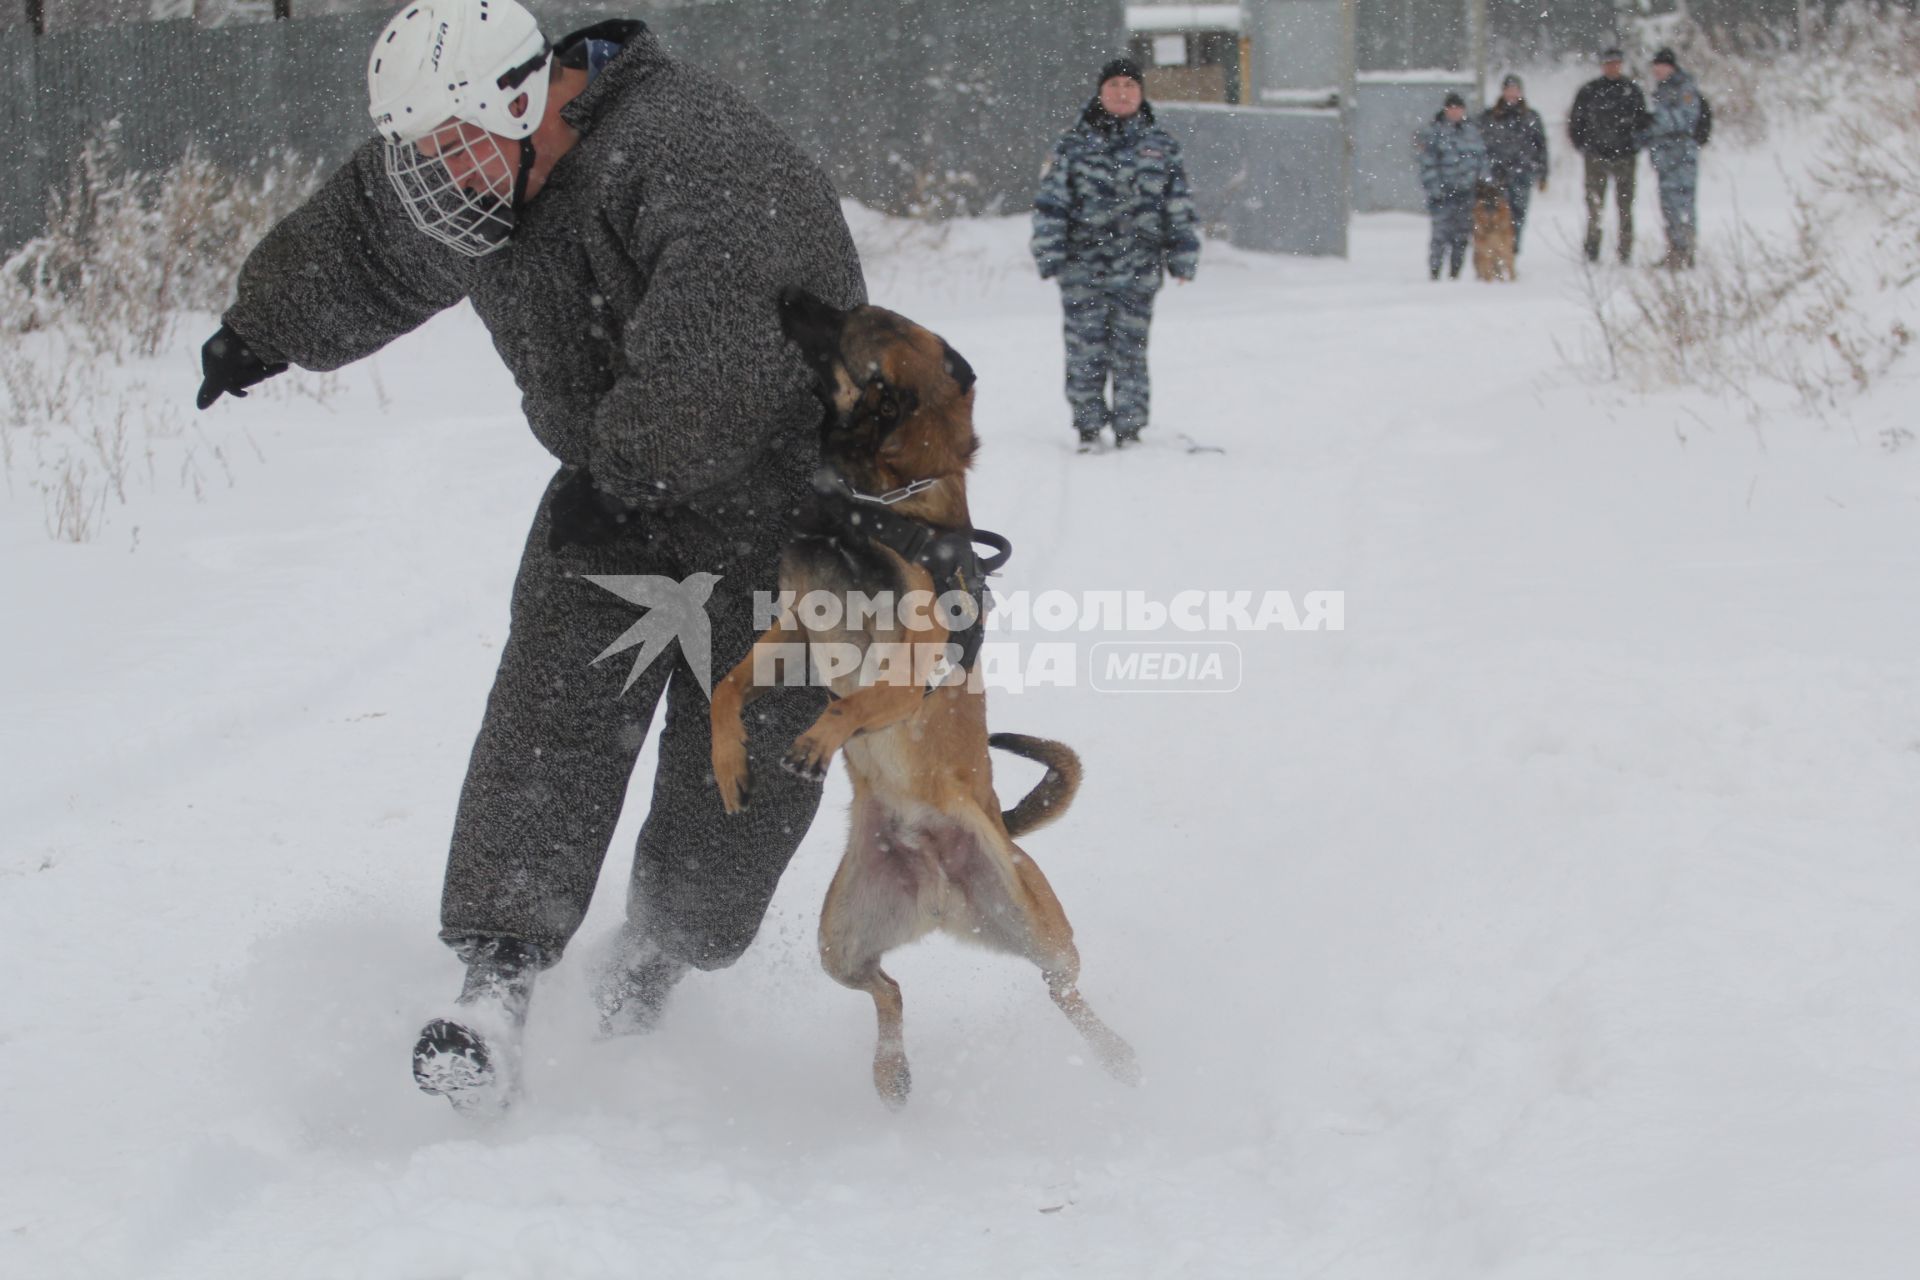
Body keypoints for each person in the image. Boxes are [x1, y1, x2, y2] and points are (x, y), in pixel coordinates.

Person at [192, 0, 865, 1113]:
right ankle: (493, 991)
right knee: (548, 718)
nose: (437, 179)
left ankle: (651, 973)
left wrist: (633, 469)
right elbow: (372, 237)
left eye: (451, 149)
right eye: (424, 158)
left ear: (531, 94)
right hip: (620, 498)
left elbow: (734, 342)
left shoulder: (696, 150)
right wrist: (267, 323)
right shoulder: (476, 174)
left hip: (789, 515)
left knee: (736, 799)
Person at [1031, 58, 1200, 454]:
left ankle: (1130, 429)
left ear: (1140, 93)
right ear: (1100, 92)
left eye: (1130, 85)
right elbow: (1050, 204)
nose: (1122, 92)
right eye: (1114, 85)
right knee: (1085, 350)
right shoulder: (1072, 145)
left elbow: (1178, 206)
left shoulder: (1161, 146)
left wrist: (1183, 255)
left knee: (1130, 350)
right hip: (1082, 268)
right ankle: (1088, 428)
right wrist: (1049, 252)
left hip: (1138, 268)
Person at [1569, 48, 1650, 264]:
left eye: (1616, 63)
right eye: (1608, 63)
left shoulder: (1631, 90)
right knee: (1595, 207)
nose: (1612, 67)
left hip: (1625, 156)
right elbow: (1576, 122)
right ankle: (1592, 250)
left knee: (1625, 206)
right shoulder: (1589, 91)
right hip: (1596, 155)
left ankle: (1625, 251)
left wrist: (1634, 146)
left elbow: (1643, 123)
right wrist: (1585, 146)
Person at [1641, 48, 1703, 269]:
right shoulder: (1660, 91)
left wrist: (1656, 120)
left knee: (1683, 203)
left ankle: (1686, 251)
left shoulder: (1684, 88)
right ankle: (1674, 249)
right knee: (1668, 206)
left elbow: (1687, 119)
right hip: (1665, 157)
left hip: (1682, 155)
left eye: (1661, 66)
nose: (1657, 70)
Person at [1416, 92, 1489, 281]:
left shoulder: (1472, 132)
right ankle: (1435, 271)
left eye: (1459, 108)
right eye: (1452, 108)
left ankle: (1455, 272)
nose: (1455, 112)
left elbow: (1481, 159)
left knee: (1462, 236)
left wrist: (1483, 184)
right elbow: (1427, 163)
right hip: (1443, 193)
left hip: (1467, 193)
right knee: (1440, 235)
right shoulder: (1435, 133)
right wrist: (1434, 188)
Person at [1478, 73, 1549, 257]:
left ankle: (1512, 251)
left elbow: (1541, 146)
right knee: (1495, 215)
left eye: (1515, 90)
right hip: (1497, 175)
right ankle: (1494, 254)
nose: (1512, 94)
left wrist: (1543, 173)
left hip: (1522, 174)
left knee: (1518, 215)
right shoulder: (1490, 117)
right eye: (1509, 90)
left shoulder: (1531, 117)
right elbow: (1480, 145)